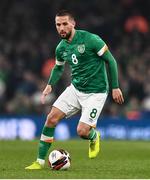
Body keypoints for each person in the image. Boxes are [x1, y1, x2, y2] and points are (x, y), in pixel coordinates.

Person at [25, 10, 124, 170]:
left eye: (65, 24)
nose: (61, 28)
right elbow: (58, 68)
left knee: (82, 131)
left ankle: (94, 136)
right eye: (58, 25)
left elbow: (111, 61)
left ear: (73, 23)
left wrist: (115, 87)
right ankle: (39, 162)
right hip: (75, 89)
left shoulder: (91, 39)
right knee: (51, 118)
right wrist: (50, 84)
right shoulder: (61, 47)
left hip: (96, 93)